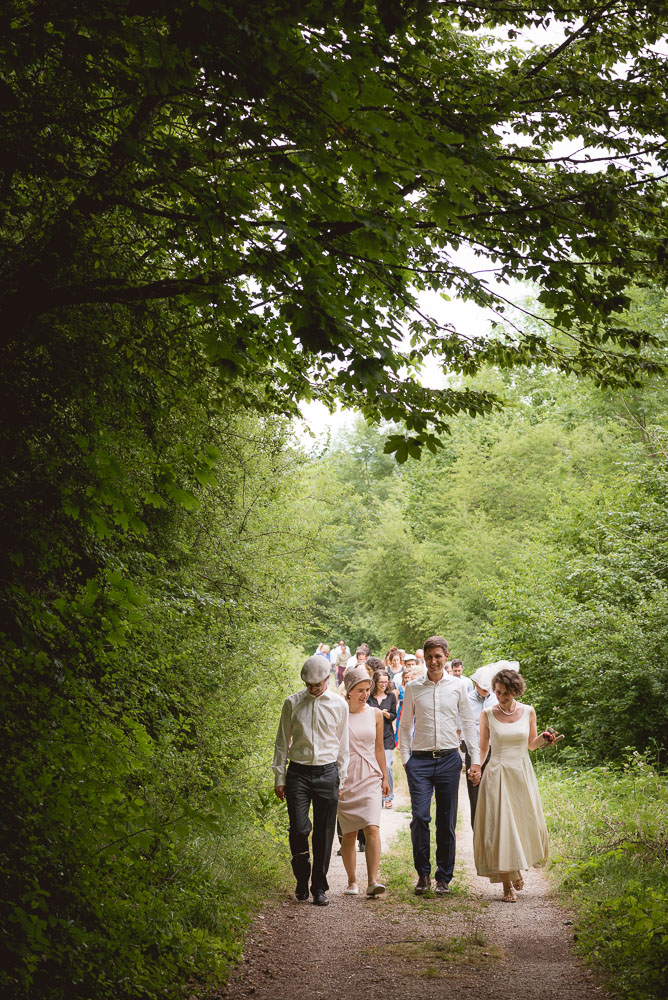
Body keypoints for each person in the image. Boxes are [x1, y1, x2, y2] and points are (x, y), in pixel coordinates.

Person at [400, 636, 481, 895]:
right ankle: (423, 874)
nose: (433, 661)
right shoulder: (413, 687)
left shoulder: (458, 686)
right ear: (424, 658)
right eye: (429, 657)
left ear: (446, 656)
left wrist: (475, 760)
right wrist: (406, 759)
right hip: (420, 761)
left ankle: (443, 877)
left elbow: (468, 723)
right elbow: (405, 725)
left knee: (446, 821)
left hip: (448, 760)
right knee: (420, 817)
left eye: (438, 656)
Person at [472, 666, 555, 903]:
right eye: (498, 692)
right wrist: (477, 767)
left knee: (520, 823)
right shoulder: (487, 714)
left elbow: (531, 744)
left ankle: (516, 867)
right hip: (497, 773)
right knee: (501, 827)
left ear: (516, 691)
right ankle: (507, 883)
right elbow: (483, 747)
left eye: (506, 693)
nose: (501, 697)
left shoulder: (528, 711)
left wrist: (545, 739)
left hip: (521, 773)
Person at [272, 655, 349, 906]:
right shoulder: (292, 703)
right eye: (308, 685)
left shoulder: (339, 705)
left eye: (317, 684)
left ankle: (319, 887)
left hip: (327, 772)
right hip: (298, 773)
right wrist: (279, 776)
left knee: (324, 833)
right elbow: (282, 741)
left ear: (327, 679)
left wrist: (341, 779)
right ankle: (301, 877)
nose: (313, 689)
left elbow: (343, 745)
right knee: (299, 828)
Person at [337, 666, 390, 897]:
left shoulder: (375, 714)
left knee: (372, 827)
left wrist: (384, 777)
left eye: (367, 689)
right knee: (349, 832)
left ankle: (372, 881)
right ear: (348, 691)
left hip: (370, 775)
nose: (365, 694)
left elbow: (379, 748)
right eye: (360, 690)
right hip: (347, 777)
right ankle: (352, 882)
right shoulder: (339, 714)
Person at [460, 664, 498, 827]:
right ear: (475, 684)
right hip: (474, 750)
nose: (486, 690)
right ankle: (477, 831)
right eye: (483, 687)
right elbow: (460, 725)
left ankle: (494, 831)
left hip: (495, 750)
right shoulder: (466, 700)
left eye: (489, 687)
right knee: (475, 794)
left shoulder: (498, 698)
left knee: (494, 794)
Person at [368, 669, 397, 809]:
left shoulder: (391, 696)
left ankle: (388, 796)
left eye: (386, 682)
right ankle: (377, 797)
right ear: (375, 682)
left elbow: (394, 715)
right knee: (375, 768)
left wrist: (385, 715)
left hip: (387, 735)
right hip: (372, 737)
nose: (384, 684)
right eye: (381, 682)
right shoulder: (369, 697)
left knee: (387, 766)